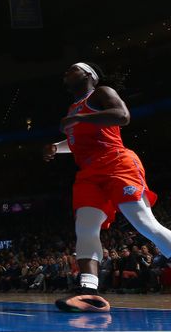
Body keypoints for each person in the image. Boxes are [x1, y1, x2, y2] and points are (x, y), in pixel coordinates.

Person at [44, 62, 171, 312]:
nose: (66, 73)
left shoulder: (101, 92)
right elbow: (80, 141)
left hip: (116, 162)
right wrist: (56, 148)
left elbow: (122, 116)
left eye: (73, 69)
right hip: (89, 174)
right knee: (85, 229)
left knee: (144, 223)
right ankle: (89, 292)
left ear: (89, 75)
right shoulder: (73, 108)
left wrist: (79, 117)